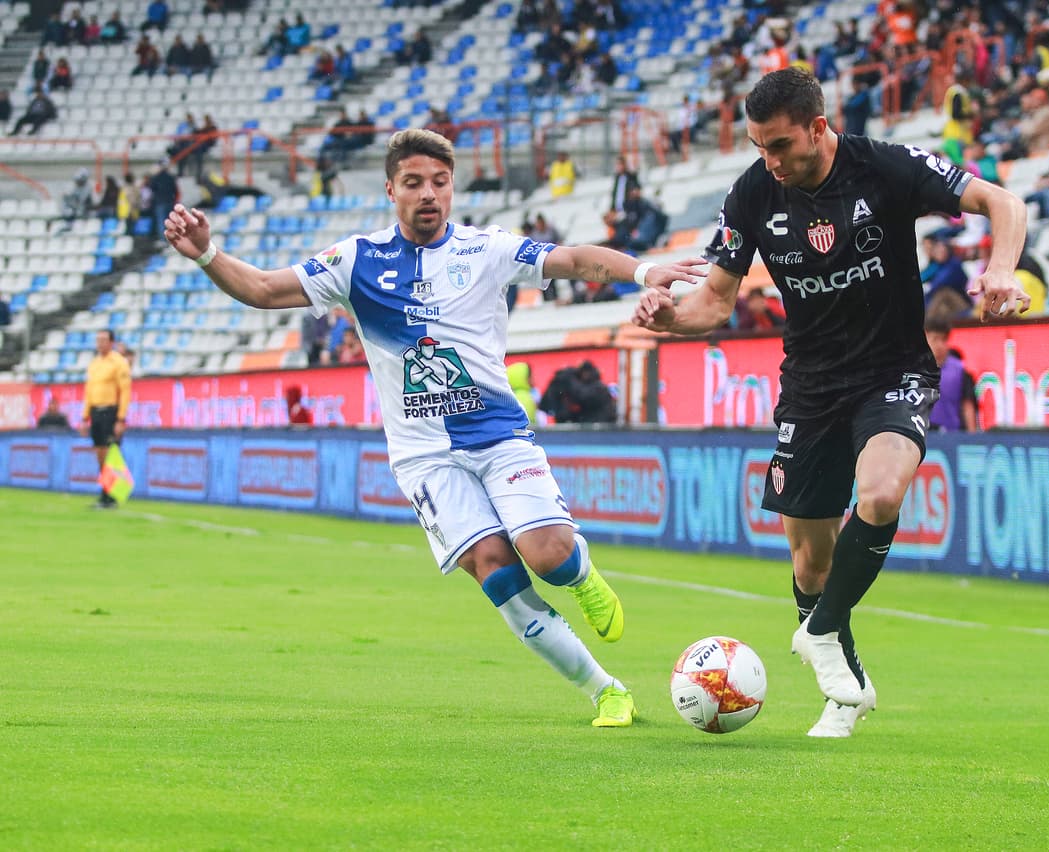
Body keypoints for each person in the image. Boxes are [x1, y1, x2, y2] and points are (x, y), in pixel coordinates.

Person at [162, 128, 704, 727]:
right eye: (414, 183)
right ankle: (606, 691)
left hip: (498, 436)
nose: (428, 194)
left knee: (546, 554)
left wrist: (645, 271)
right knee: (496, 570)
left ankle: (579, 574)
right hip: (424, 457)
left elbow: (573, 260)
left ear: (452, 188)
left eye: (440, 182)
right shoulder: (355, 261)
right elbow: (264, 289)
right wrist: (208, 255)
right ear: (391, 190)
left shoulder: (486, 249)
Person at [632, 68, 1028, 738]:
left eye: (780, 145)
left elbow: (1003, 202)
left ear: (818, 127)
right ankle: (844, 689)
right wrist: (668, 317)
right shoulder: (753, 193)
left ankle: (820, 632)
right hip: (810, 387)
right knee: (810, 562)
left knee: (881, 492)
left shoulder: (886, 166)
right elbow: (715, 302)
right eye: (759, 147)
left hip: (893, 371)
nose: (770, 160)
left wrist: (1000, 268)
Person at [81, 329, 132, 508]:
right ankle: (105, 494)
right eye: (98, 340)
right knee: (100, 454)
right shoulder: (94, 364)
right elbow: (89, 392)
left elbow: (125, 391)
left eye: (103, 340)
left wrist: (121, 418)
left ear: (111, 342)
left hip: (110, 411)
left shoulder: (119, 363)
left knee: (110, 453)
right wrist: (85, 417)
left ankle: (111, 495)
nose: (100, 343)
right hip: (96, 411)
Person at [923, 317, 977, 432]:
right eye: (935, 339)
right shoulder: (912, 369)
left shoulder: (960, 370)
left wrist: (972, 437)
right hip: (920, 435)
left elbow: (968, 405)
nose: (940, 345)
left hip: (952, 436)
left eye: (944, 340)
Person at [538, 361, 616, 423]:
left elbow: (583, 396)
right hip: (595, 426)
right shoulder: (589, 385)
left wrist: (570, 379)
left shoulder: (599, 387)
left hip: (602, 427)